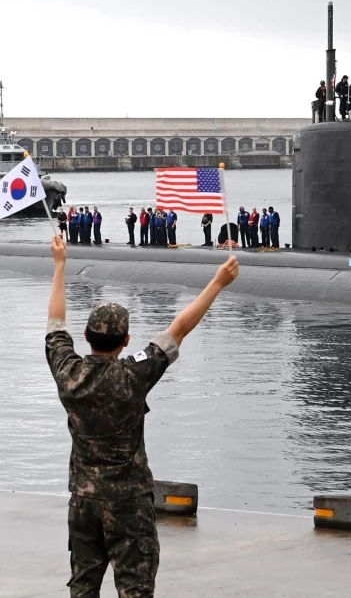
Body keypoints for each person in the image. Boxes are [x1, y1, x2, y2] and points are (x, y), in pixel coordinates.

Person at [45, 235, 239, 597]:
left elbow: (56, 323)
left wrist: (59, 265)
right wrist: (218, 282)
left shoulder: (67, 372)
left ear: (86, 337)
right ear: (126, 339)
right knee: (135, 588)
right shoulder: (134, 373)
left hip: (84, 501)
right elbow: (178, 329)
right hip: (128, 503)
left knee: (83, 585)